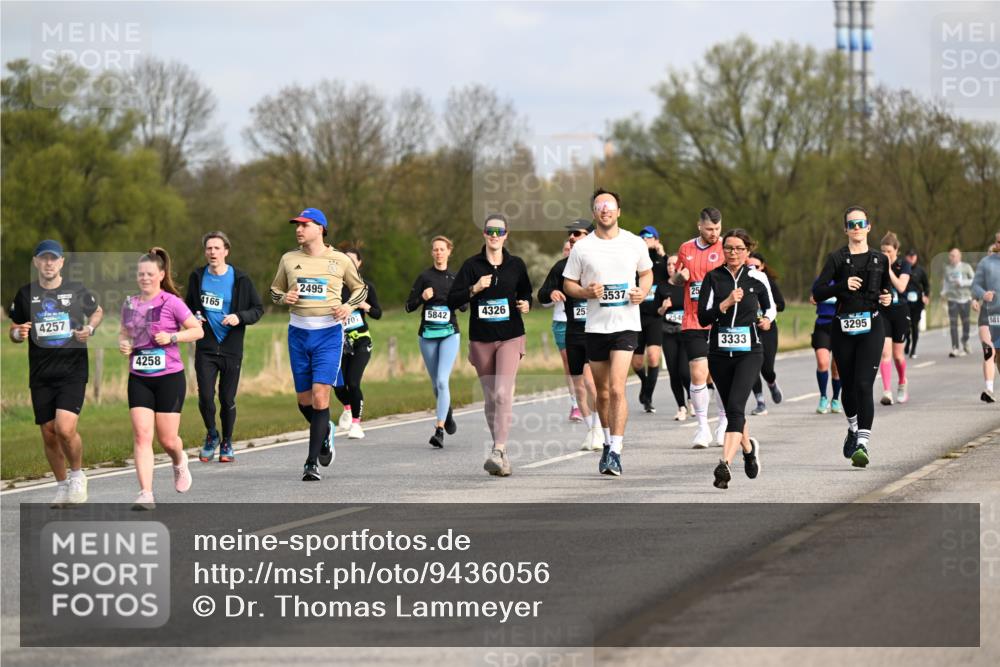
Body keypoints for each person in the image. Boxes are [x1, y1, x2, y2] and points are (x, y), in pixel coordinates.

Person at [270, 207, 367, 482]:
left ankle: (311, 463)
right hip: (298, 335)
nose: (298, 230)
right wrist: (283, 298)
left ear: (320, 228)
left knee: (321, 396)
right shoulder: (289, 259)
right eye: (296, 226)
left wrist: (348, 306)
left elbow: (361, 289)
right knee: (304, 401)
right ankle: (325, 432)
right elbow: (274, 291)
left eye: (304, 225)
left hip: (328, 335)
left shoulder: (339, 260)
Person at [563, 189, 653, 476]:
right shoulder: (582, 248)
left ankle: (616, 449)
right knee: (601, 393)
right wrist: (586, 292)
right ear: (594, 213)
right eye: (600, 207)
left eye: (610, 206)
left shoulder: (634, 243)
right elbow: (569, 284)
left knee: (617, 388)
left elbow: (647, 272)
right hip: (596, 327)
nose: (605, 210)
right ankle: (605, 441)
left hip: (626, 325)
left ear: (618, 212)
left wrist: (643, 291)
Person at [8, 240, 103, 508]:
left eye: (54, 259)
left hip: (72, 369)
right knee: (48, 432)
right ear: (36, 262)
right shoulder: (26, 294)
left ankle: (77, 475)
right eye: (44, 259)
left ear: (61, 262)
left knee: (64, 427)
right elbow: (14, 329)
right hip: (40, 372)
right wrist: (18, 333)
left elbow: (96, 311)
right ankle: (62, 486)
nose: (49, 263)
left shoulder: (75, 290)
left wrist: (90, 329)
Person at [119, 247, 204, 510]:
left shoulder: (171, 302)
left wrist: (173, 337)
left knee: (167, 440)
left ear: (161, 274)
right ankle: (146, 493)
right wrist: (124, 343)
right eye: (140, 274)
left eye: (149, 273)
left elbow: (198, 331)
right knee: (142, 436)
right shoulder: (130, 304)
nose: (144, 278)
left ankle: (179, 461)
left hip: (169, 377)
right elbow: (124, 333)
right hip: (139, 377)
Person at [448, 214, 532, 476]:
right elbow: (452, 300)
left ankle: (498, 448)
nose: (494, 235)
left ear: (506, 234)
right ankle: (502, 455)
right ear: (484, 234)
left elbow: (526, 292)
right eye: (490, 231)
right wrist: (473, 289)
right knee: (490, 399)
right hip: (481, 339)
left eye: (499, 231)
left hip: (510, 335)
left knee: (503, 393)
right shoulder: (471, 266)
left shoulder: (516, 265)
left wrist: (526, 303)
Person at [813, 206, 893, 468]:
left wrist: (888, 298)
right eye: (852, 224)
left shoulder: (881, 260)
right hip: (843, 328)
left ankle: (862, 444)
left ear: (869, 226)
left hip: (871, 326)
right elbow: (818, 292)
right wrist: (841, 286)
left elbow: (886, 292)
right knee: (848, 386)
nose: (857, 227)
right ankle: (852, 427)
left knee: (863, 385)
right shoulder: (836, 258)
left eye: (861, 223)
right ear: (845, 229)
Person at [698, 229, 771, 489]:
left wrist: (767, 320)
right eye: (729, 248)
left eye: (739, 248)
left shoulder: (757, 278)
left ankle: (724, 464)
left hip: (749, 352)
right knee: (732, 409)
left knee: (737, 408)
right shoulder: (713, 278)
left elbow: (771, 306)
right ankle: (749, 450)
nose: (733, 253)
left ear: (748, 251)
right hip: (718, 352)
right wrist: (725, 303)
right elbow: (702, 317)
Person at [185, 231, 264, 464]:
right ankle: (212, 434)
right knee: (206, 396)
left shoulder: (241, 279)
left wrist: (239, 317)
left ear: (226, 251)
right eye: (208, 248)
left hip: (231, 347)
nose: (212, 252)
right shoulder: (197, 276)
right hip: (206, 346)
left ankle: (227, 441)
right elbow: (189, 306)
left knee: (227, 398)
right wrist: (194, 316)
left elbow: (257, 309)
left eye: (217, 248)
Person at [538, 220, 602, 452]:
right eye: (570, 234)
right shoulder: (562, 267)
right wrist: (552, 291)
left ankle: (600, 428)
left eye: (577, 233)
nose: (572, 237)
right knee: (579, 386)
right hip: (573, 332)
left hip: (597, 332)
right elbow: (542, 293)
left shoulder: (601, 262)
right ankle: (591, 430)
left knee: (591, 383)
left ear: (590, 235)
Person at [671, 208, 725, 448]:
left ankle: (723, 422)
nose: (714, 233)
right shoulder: (686, 249)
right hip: (693, 319)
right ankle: (702, 427)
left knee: (721, 374)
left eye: (717, 228)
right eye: (709, 229)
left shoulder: (727, 247)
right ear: (699, 226)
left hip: (721, 320)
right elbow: (675, 280)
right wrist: (680, 278)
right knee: (698, 372)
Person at [405, 236, 464, 448]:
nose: (439, 253)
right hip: (428, 335)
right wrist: (422, 297)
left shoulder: (456, 277)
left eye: (442, 249)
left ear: (449, 251)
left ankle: (439, 430)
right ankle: (446, 413)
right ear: (432, 253)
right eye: (435, 250)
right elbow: (409, 306)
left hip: (450, 333)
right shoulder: (425, 276)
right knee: (435, 384)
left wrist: (458, 297)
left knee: (442, 381)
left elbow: (464, 306)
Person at [333, 245, 381, 440]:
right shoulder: (334, 286)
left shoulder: (366, 287)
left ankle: (356, 425)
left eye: (353, 260)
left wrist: (365, 305)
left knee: (353, 383)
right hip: (339, 342)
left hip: (361, 341)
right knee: (337, 384)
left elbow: (378, 313)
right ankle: (347, 408)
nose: (349, 264)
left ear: (359, 263)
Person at [633, 225, 669, 414]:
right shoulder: (635, 260)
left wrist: (662, 254)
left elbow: (673, 274)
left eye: (649, 237)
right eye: (642, 236)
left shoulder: (661, 261)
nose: (645, 239)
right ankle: (645, 384)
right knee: (637, 363)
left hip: (655, 316)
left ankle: (648, 397)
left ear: (656, 239)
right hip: (636, 317)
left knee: (654, 357)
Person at [545, 239, 582, 422]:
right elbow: (543, 297)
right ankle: (575, 404)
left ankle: (591, 400)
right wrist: (553, 294)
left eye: (572, 248)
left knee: (590, 365)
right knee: (569, 364)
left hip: (586, 322)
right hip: (562, 321)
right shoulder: (559, 270)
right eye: (566, 249)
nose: (569, 251)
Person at [746, 252, 785, 416]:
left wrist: (767, 307)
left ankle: (771, 382)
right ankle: (760, 402)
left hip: (768, 327)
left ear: (762, 267)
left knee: (766, 367)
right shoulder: (742, 281)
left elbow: (781, 305)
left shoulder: (767, 282)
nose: (752, 269)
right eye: (749, 266)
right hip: (749, 328)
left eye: (755, 266)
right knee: (752, 365)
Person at [877, 232, 912, 405]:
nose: (885, 255)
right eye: (882, 251)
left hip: (900, 312)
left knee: (898, 356)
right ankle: (886, 391)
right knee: (885, 353)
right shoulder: (877, 265)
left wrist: (888, 270)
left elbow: (901, 286)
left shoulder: (904, 265)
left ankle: (902, 381)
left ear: (896, 250)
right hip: (883, 311)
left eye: (889, 251)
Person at [657, 254, 692, 420]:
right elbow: (657, 312)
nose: (671, 267)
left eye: (674, 264)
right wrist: (663, 308)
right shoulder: (662, 287)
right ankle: (681, 407)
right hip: (668, 333)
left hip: (685, 333)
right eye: (669, 264)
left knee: (685, 372)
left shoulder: (687, 285)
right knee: (673, 372)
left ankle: (692, 398)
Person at [972, 235, 1000, 403]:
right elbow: (975, 288)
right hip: (987, 315)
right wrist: (977, 299)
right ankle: (989, 389)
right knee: (989, 351)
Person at [810, 278, 843, 414]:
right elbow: (813, 298)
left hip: (840, 325)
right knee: (823, 362)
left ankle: (835, 398)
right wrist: (814, 298)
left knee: (836, 367)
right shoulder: (819, 281)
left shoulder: (844, 279)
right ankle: (823, 397)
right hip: (822, 325)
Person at [942, 248, 975, 357]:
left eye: (954, 255)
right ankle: (955, 347)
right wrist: (943, 292)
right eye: (950, 255)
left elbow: (974, 280)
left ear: (959, 256)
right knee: (953, 324)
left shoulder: (966, 267)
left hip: (965, 299)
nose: (951, 257)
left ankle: (965, 341)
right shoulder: (947, 269)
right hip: (953, 299)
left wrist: (963, 283)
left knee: (966, 323)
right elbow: (946, 283)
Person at [903, 249, 930, 359]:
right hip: (905, 302)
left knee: (914, 325)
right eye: (910, 256)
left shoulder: (920, 271)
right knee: (905, 326)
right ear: (906, 257)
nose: (912, 258)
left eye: (914, 256)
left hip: (917, 302)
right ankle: (908, 341)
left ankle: (913, 349)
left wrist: (926, 296)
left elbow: (926, 285)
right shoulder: (902, 269)